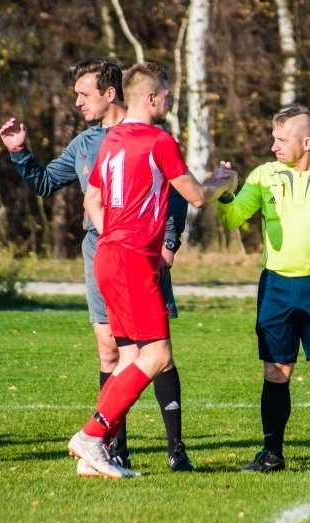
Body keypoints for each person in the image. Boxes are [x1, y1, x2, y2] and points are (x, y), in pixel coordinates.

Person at [0, 58, 192, 474]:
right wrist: (19, 152)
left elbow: (175, 193)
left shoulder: (153, 136)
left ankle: (176, 448)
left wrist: (169, 243)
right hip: (107, 255)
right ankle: (106, 445)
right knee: (118, 351)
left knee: (157, 351)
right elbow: (47, 183)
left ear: (110, 93)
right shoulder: (85, 144)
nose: (77, 103)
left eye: (84, 94)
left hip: (144, 254)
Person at [67, 61, 236, 478]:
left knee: (129, 358)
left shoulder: (110, 141)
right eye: (166, 95)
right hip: (131, 260)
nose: (169, 102)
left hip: (107, 254)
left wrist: (116, 235)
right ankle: (91, 435)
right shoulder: (158, 140)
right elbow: (196, 197)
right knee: (158, 355)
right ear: (151, 97)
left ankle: (98, 452)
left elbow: (92, 201)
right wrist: (223, 181)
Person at [216, 106, 310, 475]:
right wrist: (224, 194)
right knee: (275, 370)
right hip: (276, 286)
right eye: (273, 139)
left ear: (306, 142)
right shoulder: (263, 177)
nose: (274, 147)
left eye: (281, 140)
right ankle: (272, 453)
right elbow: (234, 218)